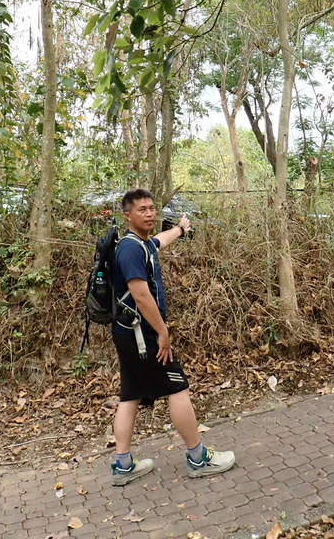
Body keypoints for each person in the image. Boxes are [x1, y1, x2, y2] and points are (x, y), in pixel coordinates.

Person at [109, 187, 236, 486]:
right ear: (128, 215)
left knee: (130, 395)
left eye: (152, 208)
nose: (149, 214)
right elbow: (141, 295)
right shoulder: (130, 250)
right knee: (178, 388)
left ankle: (123, 465)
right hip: (144, 335)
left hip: (128, 331)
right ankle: (198, 458)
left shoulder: (141, 244)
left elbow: (160, 241)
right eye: (142, 210)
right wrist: (162, 332)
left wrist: (180, 229)